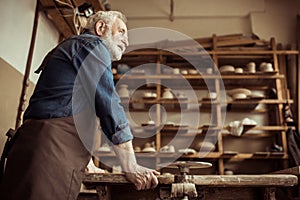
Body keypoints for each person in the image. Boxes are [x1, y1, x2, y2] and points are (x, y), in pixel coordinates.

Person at [0, 10, 159, 200]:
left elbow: (65, 102)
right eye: (122, 32)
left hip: (39, 150)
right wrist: (130, 165)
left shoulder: (76, 48)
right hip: (49, 154)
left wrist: (87, 161)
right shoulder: (93, 45)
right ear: (101, 28)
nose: (127, 41)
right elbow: (109, 103)